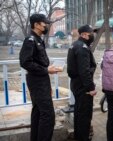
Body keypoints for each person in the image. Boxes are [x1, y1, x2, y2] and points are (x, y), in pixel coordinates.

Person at [19, 13, 58, 141]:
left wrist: (48, 72)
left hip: (41, 81)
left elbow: (39, 62)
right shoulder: (30, 40)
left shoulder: (38, 39)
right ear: (36, 25)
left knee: (38, 112)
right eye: (44, 23)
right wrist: (46, 70)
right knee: (48, 116)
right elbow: (25, 62)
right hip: (37, 82)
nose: (46, 25)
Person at [67, 25, 97, 141]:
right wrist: (91, 88)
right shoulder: (82, 48)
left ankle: (79, 137)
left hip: (76, 84)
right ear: (84, 34)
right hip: (83, 86)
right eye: (91, 33)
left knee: (79, 114)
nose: (92, 36)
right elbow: (84, 71)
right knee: (84, 116)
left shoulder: (75, 45)